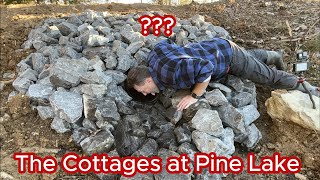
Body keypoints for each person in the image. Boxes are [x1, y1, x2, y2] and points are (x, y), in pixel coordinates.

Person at [127, 38, 319, 111]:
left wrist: (195, 95)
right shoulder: (153, 59)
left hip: (227, 58)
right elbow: (165, 43)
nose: (145, 94)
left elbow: (206, 69)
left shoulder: (170, 76)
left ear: (149, 79)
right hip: (215, 46)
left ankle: (311, 89)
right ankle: (273, 55)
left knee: (269, 77)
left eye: (142, 89)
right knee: (249, 60)